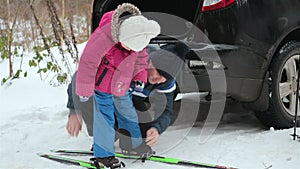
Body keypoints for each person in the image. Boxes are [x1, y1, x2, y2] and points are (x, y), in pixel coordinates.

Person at [74, 3, 160, 168]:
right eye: (129, 46)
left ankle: (132, 146)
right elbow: (87, 63)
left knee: (129, 115)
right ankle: (103, 155)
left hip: (123, 85)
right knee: (105, 119)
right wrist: (84, 90)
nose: (131, 50)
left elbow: (141, 60)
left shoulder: (138, 36)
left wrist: (139, 78)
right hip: (102, 87)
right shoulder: (102, 37)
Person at [67, 42, 189, 154]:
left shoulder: (165, 81)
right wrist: (74, 111)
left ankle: (125, 139)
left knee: (141, 134)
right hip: (104, 98)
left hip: (130, 103)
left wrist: (156, 128)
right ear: (150, 61)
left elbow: (166, 111)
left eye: (165, 77)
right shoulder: (129, 59)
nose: (159, 79)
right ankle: (104, 136)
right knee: (92, 99)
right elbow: (80, 76)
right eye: (159, 72)